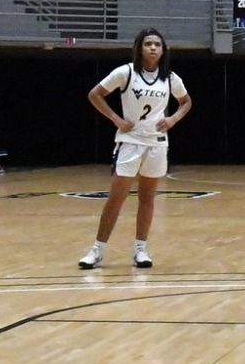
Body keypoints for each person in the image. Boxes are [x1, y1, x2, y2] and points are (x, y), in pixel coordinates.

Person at [81, 29, 190, 269]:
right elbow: (95, 94)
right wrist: (116, 119)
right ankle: (97, 249)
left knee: (147, 198)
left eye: (157, 45)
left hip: (157, 143)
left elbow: (186, 101)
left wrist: (172, 120)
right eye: (148, 44)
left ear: (163, 50)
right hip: (130, 142)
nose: (153, 48)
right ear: (140, 48)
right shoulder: (126, 72)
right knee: (116, 197)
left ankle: (141, 248)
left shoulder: (170, 78)